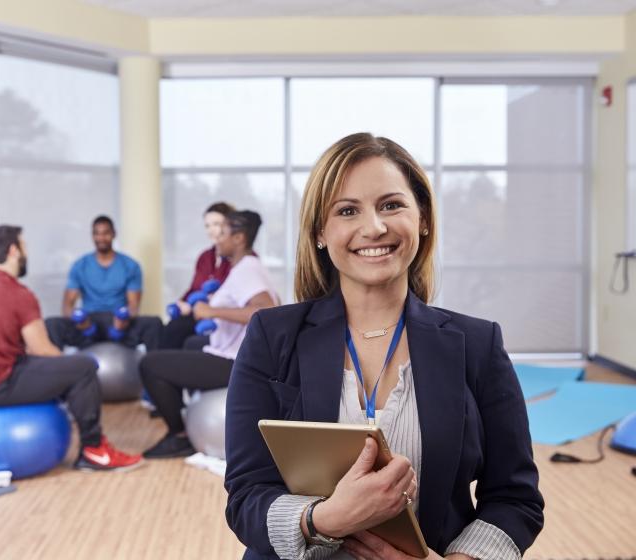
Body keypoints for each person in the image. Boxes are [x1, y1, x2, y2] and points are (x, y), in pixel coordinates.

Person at [224, 133, 544, 560]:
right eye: (348, 210)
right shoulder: (271, 335)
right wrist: (324, 518)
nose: (374, 227)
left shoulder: (478, 344)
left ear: (423, 218)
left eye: (391, 205)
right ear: (321, 231)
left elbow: (515, 498)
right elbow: (245, 496)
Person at [0, 225, 143, 472]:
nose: (27, 253)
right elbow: (42, 350)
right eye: (25, 247)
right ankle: (94, 450)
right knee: (83, 367)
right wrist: (68, 376)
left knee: (44, 366)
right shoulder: (18, 293)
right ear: (14, 251)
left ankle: (79, 420)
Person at [140, 210, 278, 459]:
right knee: (193, 342)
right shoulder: (245, 267)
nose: (218, 239)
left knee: (150, 364)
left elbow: (265, 310)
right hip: (235, 354)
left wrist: (210, 310)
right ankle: (189, 411)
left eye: (223, 233)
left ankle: (179, 435)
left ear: (239, 238)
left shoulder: (247, 269)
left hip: (237, 363)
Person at [45, 215, 162, 351]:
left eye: (106, 233)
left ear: (113, 234)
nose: (101, 238)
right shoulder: (80, 265)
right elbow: (67, 306)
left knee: (154, 323)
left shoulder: (130, 266)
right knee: (52, 324)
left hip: (118, 321)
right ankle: (55, 371)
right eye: (97, 234)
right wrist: (81, 321)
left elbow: (134, 305)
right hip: (88, 322)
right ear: (92, 236)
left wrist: (123, 321)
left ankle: (156, 370)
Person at [160, 202, 236, 350]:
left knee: (189, 339)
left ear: (230, 226)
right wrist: (182, 302)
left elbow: (235, 296)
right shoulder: (205, 257)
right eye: (207, 226)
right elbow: (194, 288)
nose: (211, 230)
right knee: (172, 328)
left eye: (216, 224)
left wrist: (205, 301)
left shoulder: (241, 258)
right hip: (198, 312)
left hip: (223, 317)